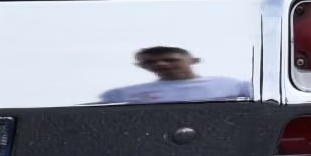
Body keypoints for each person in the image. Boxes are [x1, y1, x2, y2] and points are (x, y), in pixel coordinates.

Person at [98, 46, 251, 104]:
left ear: (194, 61)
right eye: (151, 62)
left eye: (170, 59)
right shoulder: (122, 95)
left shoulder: (232, 86)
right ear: (141, 66)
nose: (161, 64)